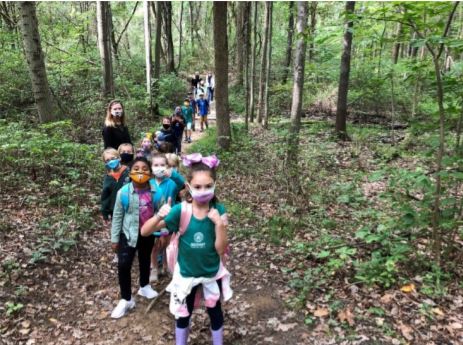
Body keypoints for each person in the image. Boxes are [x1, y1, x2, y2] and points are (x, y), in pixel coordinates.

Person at [141, 153, 232, 345]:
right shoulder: (181, 210)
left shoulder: (219, 210)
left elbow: (221, 249)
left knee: (215, 312)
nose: (203, 190)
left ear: (214, 186)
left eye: (208, 186)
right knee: (183, 314)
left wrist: (219, 225)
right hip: (187, 274)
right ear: (189, 187)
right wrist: (158, 216)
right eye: (198, 187)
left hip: (211, 273)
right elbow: (145, 231)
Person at [110, 157, 159, 319]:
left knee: (145, 260)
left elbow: (160, 214)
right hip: (127, 234)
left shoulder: (155, 192)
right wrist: (114, 238)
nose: (140, 171)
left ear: (150, 173)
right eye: (136, 168)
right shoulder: (123, 192)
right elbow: (117, 216)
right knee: (124, 265)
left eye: (144, 168)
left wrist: (161, 233)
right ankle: (126, 299)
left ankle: (144, 286)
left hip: (148, 234)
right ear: (130, 173)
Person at [149, 153, 185, 282]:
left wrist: (173, 174)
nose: (159, 168)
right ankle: (154, 268)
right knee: (154, 246)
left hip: (169, 219)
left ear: (167, 166)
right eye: (156, 165)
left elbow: (183, 184)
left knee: (167, 244)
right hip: (153, 219)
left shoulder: (172, 183)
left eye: (162, 165)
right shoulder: (149, 183)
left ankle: (166, 266)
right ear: (151, 167)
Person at [100, 148, 131, 225]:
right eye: (107, 160)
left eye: (113, 158)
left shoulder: (129, 172)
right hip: (115, 211)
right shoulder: (108, 178)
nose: (111, 161)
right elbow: (105, 197)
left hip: (130, 209)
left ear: (119, 158)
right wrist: (105, 214)